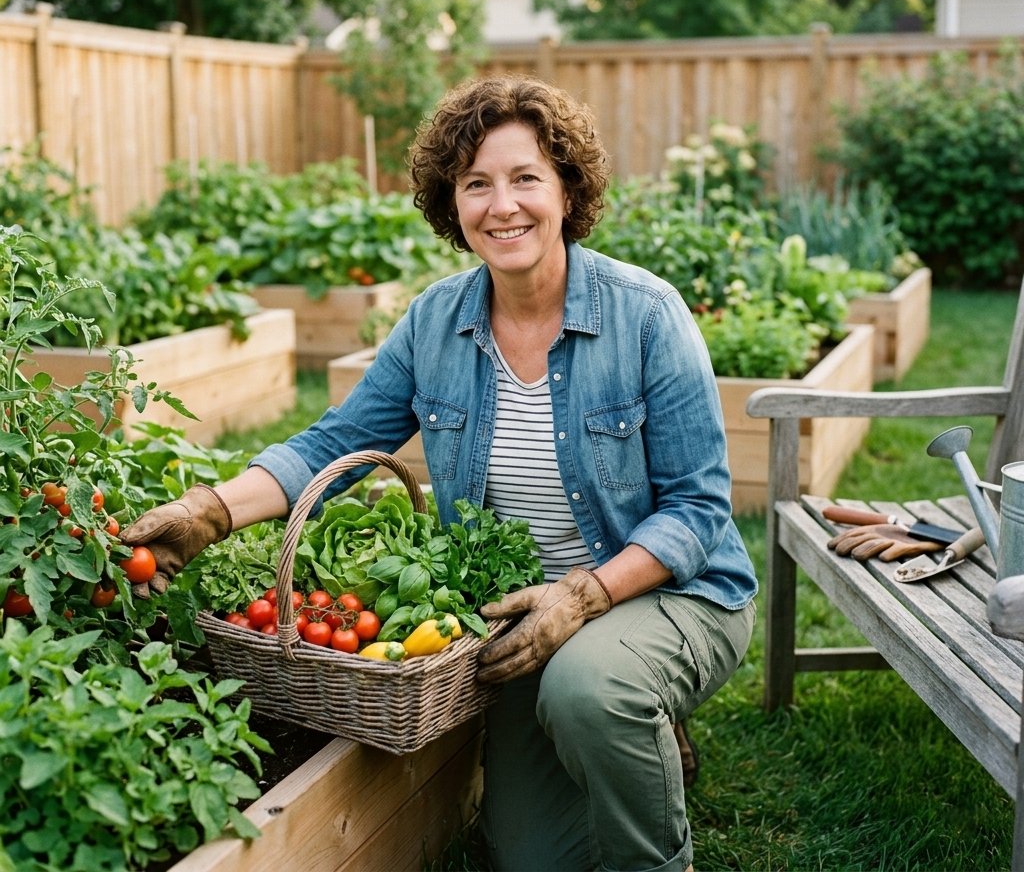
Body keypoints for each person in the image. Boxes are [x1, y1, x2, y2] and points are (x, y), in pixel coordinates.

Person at [123, 76, 758, 872]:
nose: (504, 206)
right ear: (449, 203)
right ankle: (633, 726)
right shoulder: (436, 324)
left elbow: (699, 510)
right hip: (525, 622)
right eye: (476, 184)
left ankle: (637, 757)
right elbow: (335, 444)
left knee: (590, 692)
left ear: (567, 188)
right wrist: (208, 514)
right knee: (529, 858)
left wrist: (585, 595)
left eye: (526, 177)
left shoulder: (646, 315)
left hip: (668, 592)